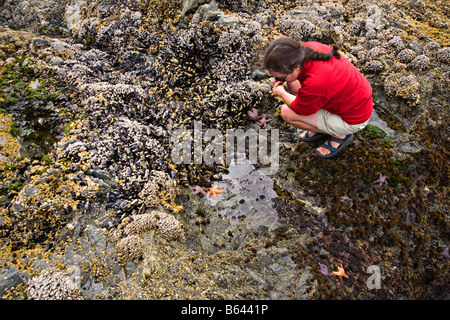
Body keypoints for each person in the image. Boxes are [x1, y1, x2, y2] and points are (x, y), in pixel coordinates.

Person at [263, 37, 373, 158]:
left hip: (354, 119)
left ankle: (340, 135)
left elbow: (299, 109)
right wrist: (283, 80)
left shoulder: (316, 83)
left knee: (287, 112)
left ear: (295, 68)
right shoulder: (308, 48)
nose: (276, 80)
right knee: (292, 83)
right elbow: (301, 82)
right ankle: (322, 125)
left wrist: (281, 92)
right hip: (356, 99)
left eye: (280, 77)